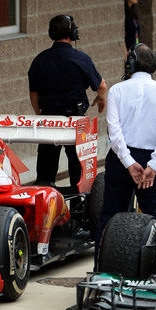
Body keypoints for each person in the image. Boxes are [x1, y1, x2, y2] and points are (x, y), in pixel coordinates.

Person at [95, 44, 156, 277]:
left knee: (109, 217)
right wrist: (153, 165)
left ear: (129, 65)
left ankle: (101, 272)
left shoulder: (118, 90)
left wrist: (129, 162)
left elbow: (114, 131)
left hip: (122, 160)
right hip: (150, 158)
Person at [28, 14, 107, 190]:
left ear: (51, 33)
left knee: (45, 174)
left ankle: (46, 209)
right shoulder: (81, 58)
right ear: (73, 33)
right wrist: (101, 99)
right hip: (76, 121)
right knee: (79, 175)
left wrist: (38, 113)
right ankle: (79, 209)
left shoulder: (39, 60)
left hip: (49, 120)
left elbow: (34, 94)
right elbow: (101, 86)